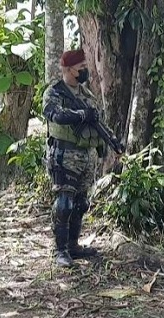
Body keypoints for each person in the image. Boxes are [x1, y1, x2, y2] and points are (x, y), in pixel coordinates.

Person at [42, 49, 116, 267]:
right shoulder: (54, 92)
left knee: (81, 203)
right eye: (80, 68)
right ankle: (60, 251)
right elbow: (56, 115)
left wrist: (109, 143)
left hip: (85, 156)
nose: (84, 71)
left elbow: (98, 123)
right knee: (63, 204)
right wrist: (81, 115)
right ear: (67, 69)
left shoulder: (86, 94)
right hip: (64, 155)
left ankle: (73, 246)